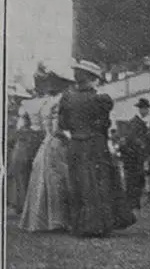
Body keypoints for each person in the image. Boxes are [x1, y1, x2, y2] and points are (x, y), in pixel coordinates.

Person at [58, 60, 135, 237]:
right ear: (92, 79)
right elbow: (104, 125)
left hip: (76, 144)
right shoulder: (100, 99)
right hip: (95, 144)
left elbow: (63, 124)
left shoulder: (67, 98)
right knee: (98, 182)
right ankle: (97, 225)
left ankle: (79, 225)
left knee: (79, 183)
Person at [19, 64, 76, 232]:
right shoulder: (59, 101)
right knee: (59, 179)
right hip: (57, 142)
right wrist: (67, 137)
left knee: (45, 179)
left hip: (47, 142)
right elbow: (58, 127)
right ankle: (59, 220)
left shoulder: (46, 101)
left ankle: (44, 219)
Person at [7, 71, 48, 214]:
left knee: (23, 173)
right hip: (29, 139)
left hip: (26, 140)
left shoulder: (25, 107)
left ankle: (23, 204)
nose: (14, 100)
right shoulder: (31, 105)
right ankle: (23, 204)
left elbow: (22, 126)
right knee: (23, 173)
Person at [120, 98, 150, 210]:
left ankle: (133, 203)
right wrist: (143, 146)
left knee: (135, 180)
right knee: (135, 180)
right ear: (141, 109)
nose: (147, 111)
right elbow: (133, 139)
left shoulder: (136, 122)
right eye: (146, 109)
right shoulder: (136, 123)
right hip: (135, 157)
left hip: (134, 157)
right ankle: (133, 203)